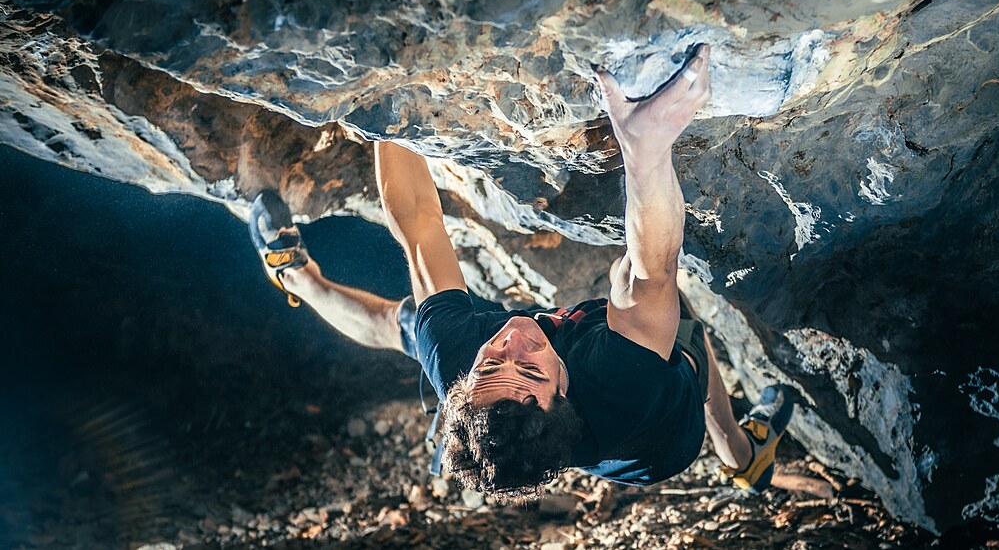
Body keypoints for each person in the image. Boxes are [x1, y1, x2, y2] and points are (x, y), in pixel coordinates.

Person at [249, 44, 794, 501]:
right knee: (681, 330)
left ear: (465, 387)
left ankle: (296, 278)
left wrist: (379, 93)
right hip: (661, 442)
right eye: (530, 370)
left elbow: (417, 221)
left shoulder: (462, 361)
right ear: (564, 390)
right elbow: (653, 273)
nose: (511, 341)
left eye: (489, 367)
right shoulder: (621, 389)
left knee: (412, 324)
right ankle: (745, 457)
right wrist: (646, 152)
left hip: (515, 397)